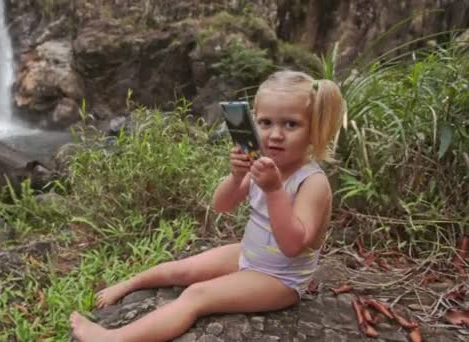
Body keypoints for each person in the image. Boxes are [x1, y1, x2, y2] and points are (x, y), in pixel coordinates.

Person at [70, 70, 345, 342]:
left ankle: (114, 339)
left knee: (196, 295)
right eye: (265, 123)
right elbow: (221, 205)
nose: (275, 135)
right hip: (251, 253)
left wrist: (273, 191)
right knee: (182, 270)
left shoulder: (312, 183)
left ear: (314, 130)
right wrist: (237, 177)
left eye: (291, 125)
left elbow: (292, 245)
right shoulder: (262, 166)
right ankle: (130, 284)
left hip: (280, 278)